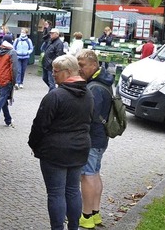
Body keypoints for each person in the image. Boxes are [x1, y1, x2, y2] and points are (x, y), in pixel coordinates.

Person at [28, 54, 93, 230]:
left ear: (68, 72)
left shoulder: (55, 96)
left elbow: (40, 125)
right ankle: (73, 227)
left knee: (56, 193)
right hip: (79, 148)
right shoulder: (88, 94)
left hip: (55, 151)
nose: (53, 74)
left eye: (56, 71)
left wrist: (34, 145)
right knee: (72, 190)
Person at [76, 49, 114, 229]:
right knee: (95, 174)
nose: (79, 69)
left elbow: (90, 115)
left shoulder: (94, 88)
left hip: (92, 138)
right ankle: (96, 213)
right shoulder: (103, 81)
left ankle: (86, 216)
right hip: (101, 138)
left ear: (94, 65)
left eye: (82, 66)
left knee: (87, 176)